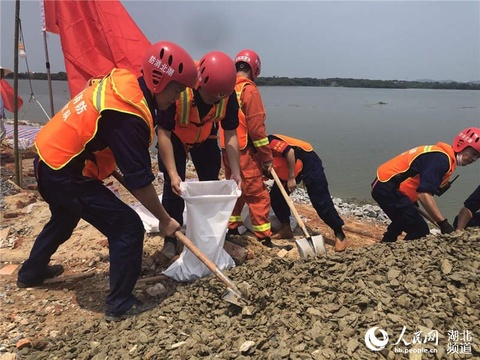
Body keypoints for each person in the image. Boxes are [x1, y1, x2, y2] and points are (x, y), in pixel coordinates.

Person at [16, 41, 198, 322]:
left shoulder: (125, 83)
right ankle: (120, 303)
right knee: (127, 227)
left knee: (64, 219)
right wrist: (164, 219)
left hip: (48, 159)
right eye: (177, 89)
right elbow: (139, 180)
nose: (177, 97)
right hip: (64, 171)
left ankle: (31, 273)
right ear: (158, 80)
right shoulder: (128, 114)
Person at [156, 50, 242, 261]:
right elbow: (163, 133)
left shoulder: (227, 94)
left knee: (210, 182)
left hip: (204, 135)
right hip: (175, 136)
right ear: (200, 84)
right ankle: (171, 238)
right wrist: (174, 173)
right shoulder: (180, 88)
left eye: (219, 97)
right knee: (173, 187)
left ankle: (208, 235)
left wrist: (236, 171)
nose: (215, 100)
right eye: (211, 95)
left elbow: (230, 133)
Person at [371, 127, 480, 242]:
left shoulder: (445, 157)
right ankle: (398, 256)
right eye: (473, 153)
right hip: (387, 188)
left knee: (406, 216)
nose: (473, 159)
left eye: (477, 157)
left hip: (393, 187)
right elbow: (424, 194)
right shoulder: (441, 160)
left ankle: (386, 243)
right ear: (461, 144)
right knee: (420, 230)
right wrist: (443, 223)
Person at [219, 49, 274, 248]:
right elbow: (257, 129)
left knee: (236, 189)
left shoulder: (225, 87)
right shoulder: (249, 90)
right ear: (255, 69)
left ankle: (232, 228)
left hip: (227, 149)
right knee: (257, 195)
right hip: (244, 151)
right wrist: (266, 157)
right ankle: (264, 237)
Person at [267, 134, 348, 252]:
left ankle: (339, 233)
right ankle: (286, 228)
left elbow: (289, 152)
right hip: (289, 166)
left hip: (309, 162)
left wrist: (291, 178)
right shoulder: (255, 152)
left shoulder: (269, 141)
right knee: (276, 198)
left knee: (321, 201)